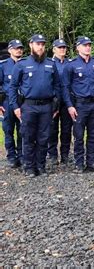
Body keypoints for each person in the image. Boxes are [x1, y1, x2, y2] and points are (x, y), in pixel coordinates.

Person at [9, 34, 62, 177]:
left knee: (43, 137)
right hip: (29, 106)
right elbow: (13, 87)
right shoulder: (22, 64)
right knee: (28, 137)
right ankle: (29, 167)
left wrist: (56, 104)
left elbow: (57, 85)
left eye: (43, 44)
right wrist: (15, 107)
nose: (40, 47)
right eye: (38, 44)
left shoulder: (51, 64)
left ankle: (41, 166)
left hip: (46, 107)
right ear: (31, 45)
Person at [62, 36, 94, 173]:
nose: (87, 47)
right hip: (79, 105)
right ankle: (79, 163)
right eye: (84, 45)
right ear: (78, 48)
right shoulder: (71, 65)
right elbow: (65, 87)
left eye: (89, 45)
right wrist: (69, 106)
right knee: (79, 136)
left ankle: (91, 162)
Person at [47, 38, 73, 168]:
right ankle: (52, 155)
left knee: (67, 130)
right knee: (52, 129)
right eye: (60, 47)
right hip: (53, 102)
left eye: (64, 47)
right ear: (54, 49)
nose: (62, 49)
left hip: (67, 102)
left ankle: (65, 155)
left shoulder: (70, 63)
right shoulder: (49, 63)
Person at [0, 39, 24, 168]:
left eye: (20, 48)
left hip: (22, 102)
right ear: (10, 50)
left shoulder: (26, 64)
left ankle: (22, 155)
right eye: (15, 48)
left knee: (22, 130)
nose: (18, 50)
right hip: (7, 102)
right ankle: (11, 156)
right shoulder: (3, 66)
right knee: (8, 130)